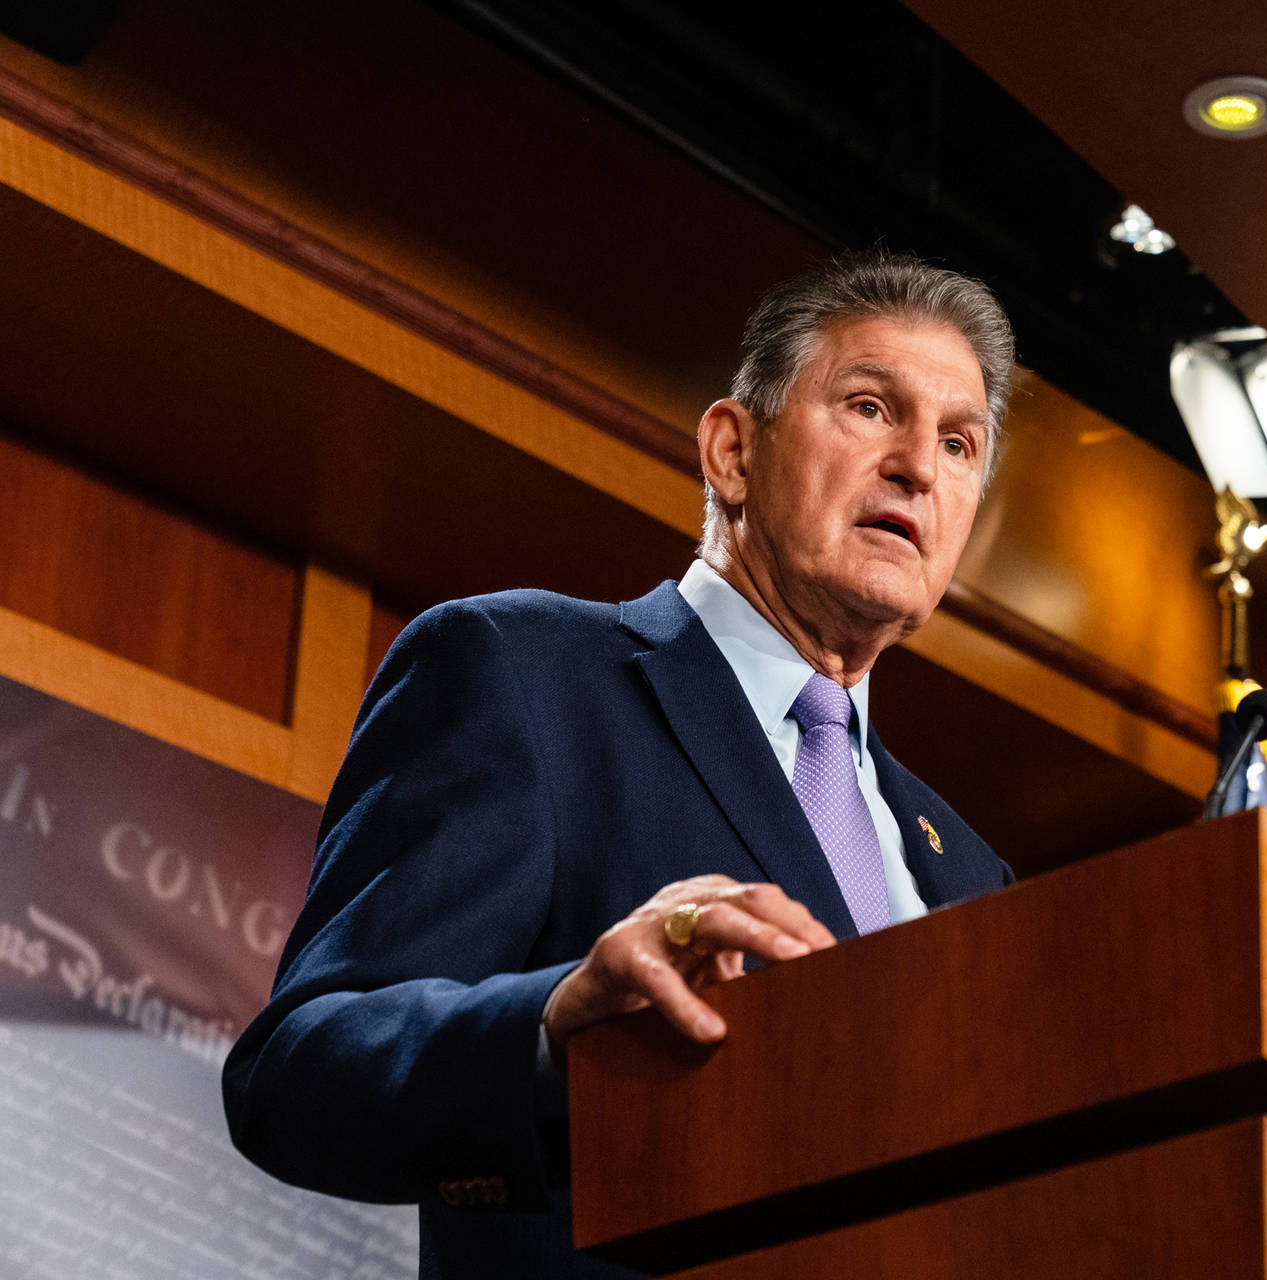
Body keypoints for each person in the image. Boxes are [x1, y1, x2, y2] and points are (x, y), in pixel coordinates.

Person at [223, 250, 1018, 1277]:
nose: (919, 462)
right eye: (871, 407)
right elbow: (298, 1075)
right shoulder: (523, 673)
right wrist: (553, 1026)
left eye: (960, 443)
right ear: (732, 451)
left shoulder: (971, 873)